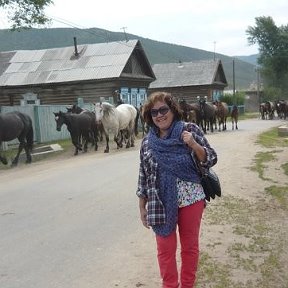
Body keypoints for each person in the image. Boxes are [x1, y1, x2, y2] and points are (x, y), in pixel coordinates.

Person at [136, 91, 217, 288]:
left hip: (191, 199)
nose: (159, 115)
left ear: (173, 110)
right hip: (159, 202)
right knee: (165, 250)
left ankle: (187, 285)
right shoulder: (147, 142)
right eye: (154, 112)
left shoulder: (189, 130)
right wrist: (142, 207)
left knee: (189, 247)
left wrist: (193, 144)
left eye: (163, 109)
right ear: (149, 116)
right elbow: (143, 175)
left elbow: (211, 158)